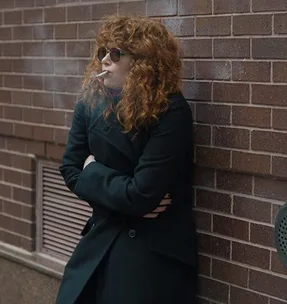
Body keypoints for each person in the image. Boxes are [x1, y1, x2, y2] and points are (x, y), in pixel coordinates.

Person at [55, 14, 198, 304]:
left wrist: (92, 171)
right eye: (102, 52)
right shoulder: (91, 102)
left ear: (144, 62)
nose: (104, 60)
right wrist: (127, 200)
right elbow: (70, 168)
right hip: (102, 234)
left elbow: (141, 194)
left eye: (116, 53)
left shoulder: (171, 111)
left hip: (151, 250)